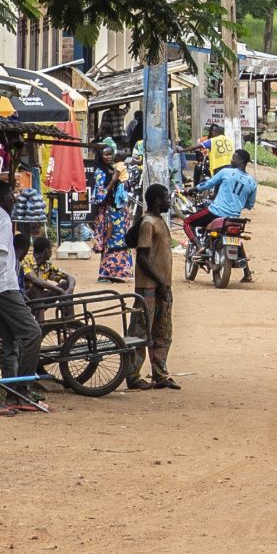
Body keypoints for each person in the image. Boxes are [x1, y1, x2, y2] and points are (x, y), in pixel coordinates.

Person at [0, 178, 44, 412]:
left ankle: (11, 393)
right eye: (9, 194)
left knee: (8, 342)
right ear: (0, 197)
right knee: (32, 333)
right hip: (3, 286)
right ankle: (22, 387)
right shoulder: (2, 219)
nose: (13, 199)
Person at [116, 182, 179, 389]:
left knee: (163, 332)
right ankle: (132, 376)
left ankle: (160, 374)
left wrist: (164, 283)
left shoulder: (160, 221)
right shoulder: (148, 223)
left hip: (163, 286)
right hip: (149, 287)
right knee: (141, 332)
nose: (170, 202)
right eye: (167, 198)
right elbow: (142, 257)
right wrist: (159, 281)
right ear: (157, 201)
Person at [95, 162, 135, 285]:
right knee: (110, 243)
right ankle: (105, 274)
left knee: (123, 243)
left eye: (110, 154)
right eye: (105, 154)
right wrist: (113, 180)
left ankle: (120, 273)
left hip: (121, 214)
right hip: (109, 214)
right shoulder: (100, 173)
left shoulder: (118, 172)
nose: (108, 157)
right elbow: (99, 196)